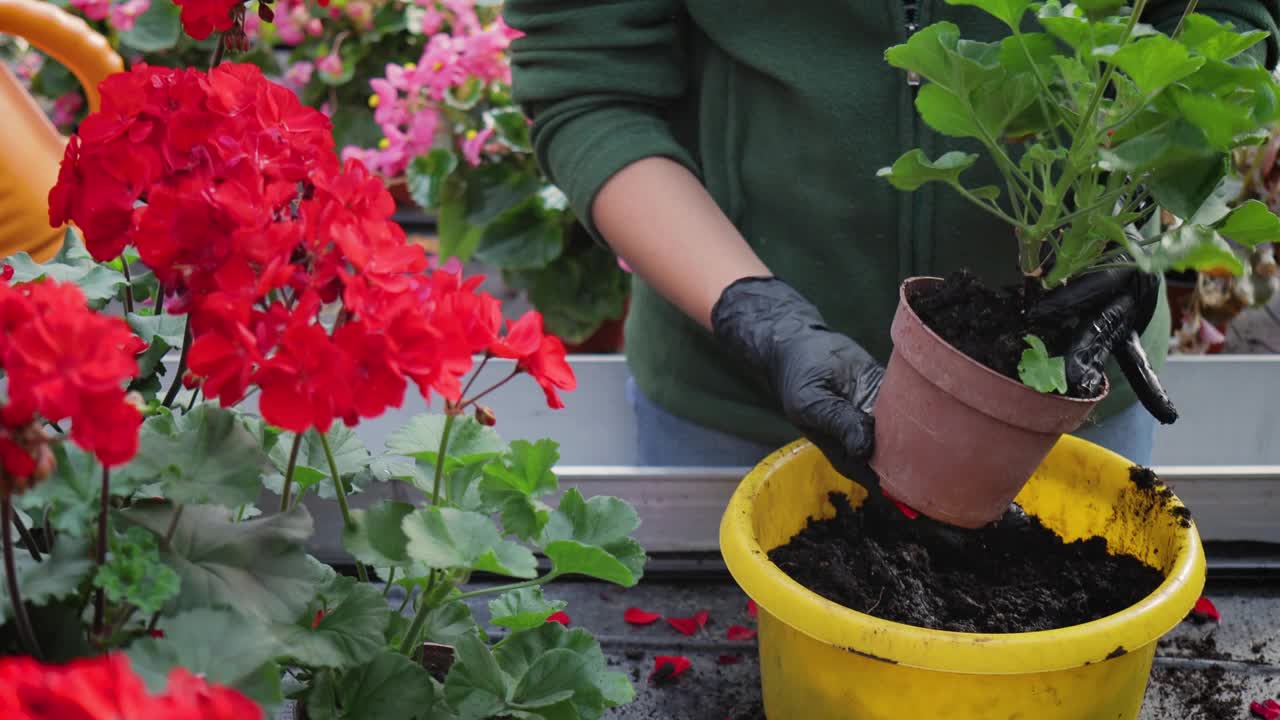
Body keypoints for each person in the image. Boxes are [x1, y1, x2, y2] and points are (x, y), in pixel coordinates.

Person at [503, 1, 1280, 518]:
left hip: (1059, 402)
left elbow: (1228, 32)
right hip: (737, 409)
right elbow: (588, 77)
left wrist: (1130, 217)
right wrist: (754, 311)